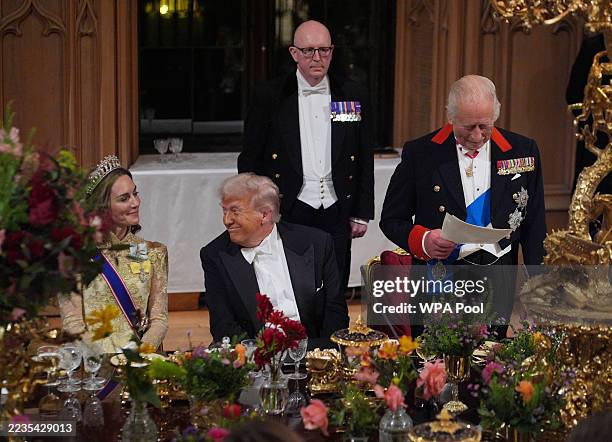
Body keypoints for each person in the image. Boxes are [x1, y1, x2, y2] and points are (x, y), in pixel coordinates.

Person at [380, 75, 547, 334]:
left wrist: (539, 285)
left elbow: (535, 225)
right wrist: (424, 241)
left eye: (485, 125)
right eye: (469, 127)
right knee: (433, 365)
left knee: (492, 365)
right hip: (438, 274)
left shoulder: (523, 151)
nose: (478, 135)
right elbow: (391, 219)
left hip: (498, 276)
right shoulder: (421, 153)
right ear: (450, 116)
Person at [238, 20, 374, 292]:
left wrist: (361, 211)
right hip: (289, 207)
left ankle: (334, 335)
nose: (317, 58)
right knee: (291, 288)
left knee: (335, 288)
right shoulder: (270, 96)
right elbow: (250, 159)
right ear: (294, 53)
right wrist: (256, 210)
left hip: (336, 207)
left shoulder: (349, 94)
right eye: (309, 50)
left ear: (332, 52)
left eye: (324, 50)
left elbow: (361, 153)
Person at [200, 173, 349, 347]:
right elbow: (223, 326)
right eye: (224, 210)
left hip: (313, 353)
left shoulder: (316, 243)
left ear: (265, 215)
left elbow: (335, 311)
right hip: (255, 359)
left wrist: (321, 355)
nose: (226, 220)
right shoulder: (215, 255)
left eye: (235, 211)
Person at [59, 156, 168, 353]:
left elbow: (159, 319)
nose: (135, 202)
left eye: (135, 194)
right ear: (102, 208)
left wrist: (140, 355)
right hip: (96, 368)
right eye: (124, 198)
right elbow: (72, 323)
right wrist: (104, 361)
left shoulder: (154, 252)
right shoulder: (73, 257)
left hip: (141, 363)